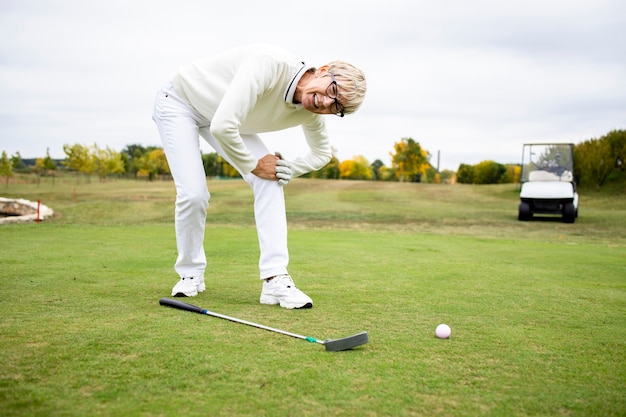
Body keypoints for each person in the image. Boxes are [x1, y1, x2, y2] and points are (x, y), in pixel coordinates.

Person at [152, 44, 366, 309]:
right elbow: (223, 126)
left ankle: (275, 280)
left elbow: (321, 153)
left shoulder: (311, 111)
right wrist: (254, 165)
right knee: (194, 194)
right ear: (323, 70)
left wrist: (287, 168)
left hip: (223, 119)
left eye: (336, 107)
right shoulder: (270, 65)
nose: (325, 103)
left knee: (271, 179)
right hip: (180, 102)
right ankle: (190, 273)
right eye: (332, 91)